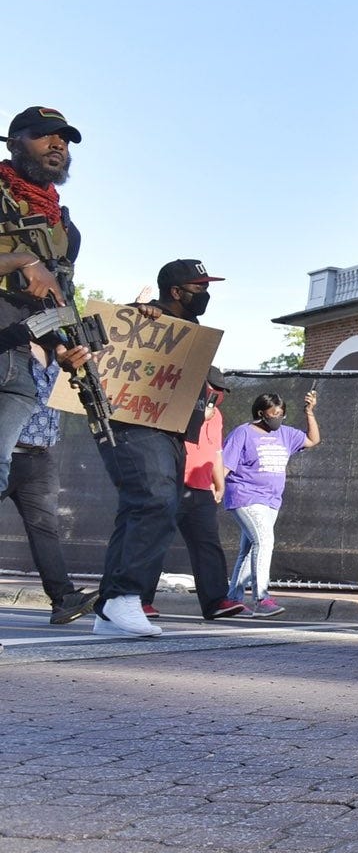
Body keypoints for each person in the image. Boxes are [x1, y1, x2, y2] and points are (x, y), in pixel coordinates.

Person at [92, 260, 225, 637]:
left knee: (139, 508)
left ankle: (109, 609)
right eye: (199, 288)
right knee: (156, 502)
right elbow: (112, 339)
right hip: (135, 427)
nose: (206, 294)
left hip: (170, 431)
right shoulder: (150, 318)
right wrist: (136, 311)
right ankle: (125, 595)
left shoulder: (191, 330)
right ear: (176, 291)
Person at [0, 107, 94, 625]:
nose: (57, 145)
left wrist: (64, 344)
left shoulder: (62, 223)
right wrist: (19, 261)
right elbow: (29, 271)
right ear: (14, 142)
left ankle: (64, 598)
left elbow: (58, 296)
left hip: (17, 355)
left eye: (64, 140)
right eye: (44, 137)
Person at [5, 356, 95, 623]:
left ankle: (63, 599)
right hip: (4, 453)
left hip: (39, 457)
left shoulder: (62, 357)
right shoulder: (12, 352)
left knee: (45, 529)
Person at [150, 368, 244, 621]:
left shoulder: (218, 416)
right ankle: (139, 599)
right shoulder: (178, 405)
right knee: (153, 541)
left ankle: (216, 601)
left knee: (207, 544)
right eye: (214, 390)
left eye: (221, 391)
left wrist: (218, 480)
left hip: (201, 488)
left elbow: (216, 450)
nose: (218, 395)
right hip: (172, 483)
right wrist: (199, 416)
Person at [222, 391, 320, 617]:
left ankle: (233, 600)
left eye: (281, 415)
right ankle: (262, 598)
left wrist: (309, 412)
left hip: (271, 501)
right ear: (261, 413)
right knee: (264, 541)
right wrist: (215, 487)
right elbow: (226, 464)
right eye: (273, 414)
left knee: (248, 550)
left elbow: (313, 440)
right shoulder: (243, 433)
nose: (278, 419)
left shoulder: (286, 434)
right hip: (245, 496)